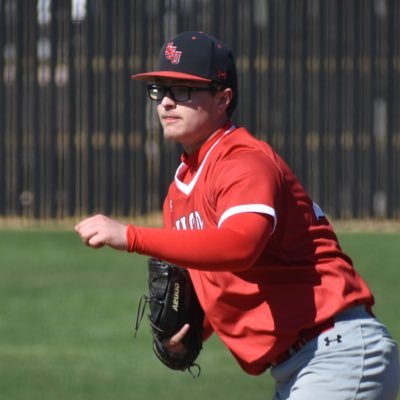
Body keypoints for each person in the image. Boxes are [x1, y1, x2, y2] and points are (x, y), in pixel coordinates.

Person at [75, 31, 399, 399]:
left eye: (182, 90)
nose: (166, 102)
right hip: (303, 366)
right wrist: (196, 331)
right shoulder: (177, 195)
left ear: (222, 98)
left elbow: (241, 244)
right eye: (159, 89)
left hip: (335, 352)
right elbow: (224, 277)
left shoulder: (244, 160)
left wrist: (131, 237)